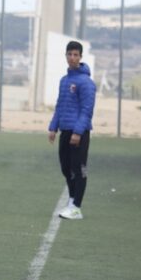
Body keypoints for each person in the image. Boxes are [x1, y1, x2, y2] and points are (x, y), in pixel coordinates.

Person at [49, 40, 97, 221]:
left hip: (79, 133)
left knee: (79, 168)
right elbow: (60, 105)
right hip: (65, 130)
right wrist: (53, 127)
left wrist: (78, 132)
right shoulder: (64, 80)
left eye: (76, 55)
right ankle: (71, 200)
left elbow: (87, 109)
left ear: (81, 57)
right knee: (66, 167)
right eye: (69, 54)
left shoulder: (86, 83)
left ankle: (76, 206)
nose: (72, 58)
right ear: (66, 56)